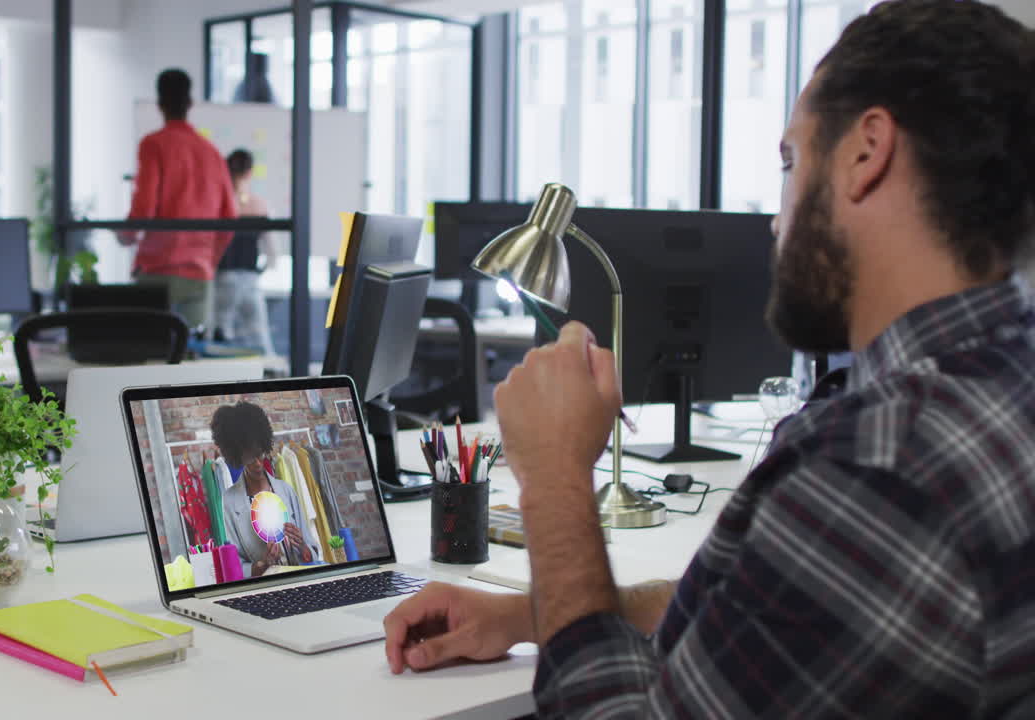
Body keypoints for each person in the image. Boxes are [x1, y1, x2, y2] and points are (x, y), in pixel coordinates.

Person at [384, 1, 1035, 716]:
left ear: (865, 151)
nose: (776, 218)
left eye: (790, 161)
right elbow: (766, 618)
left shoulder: (882, 464)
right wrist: (532, 615)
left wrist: (557, 481)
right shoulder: (999, 387)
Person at [120, 68, 237, 331]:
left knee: (149, 355)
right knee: (188, 360)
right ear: (190, 104)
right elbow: (230, 218)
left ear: (160, 104)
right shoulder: (211, 152)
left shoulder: (153, 144)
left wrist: (125, 235)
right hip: (198, 273)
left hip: (158, 271)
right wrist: (209, 258)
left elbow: (144, 208)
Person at [212, 401, 321, 577]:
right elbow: (237, 567)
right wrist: (262, 564)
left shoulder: (286, 490)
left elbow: (311, 555)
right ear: (238, 457)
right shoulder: (230, 502)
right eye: (249, 457)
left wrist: (302, 545)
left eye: (260, 453)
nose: (257, 463)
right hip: (265, 587)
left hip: (301, 580)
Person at [213, 149, 276, 355]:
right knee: (259, 334)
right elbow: (272, 252)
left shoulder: (218, 205)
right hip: (250, 279)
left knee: (220, 332)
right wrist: (260, 272)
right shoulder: (260, 205)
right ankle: (270, 375)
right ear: (250, 172)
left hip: (223, 278)